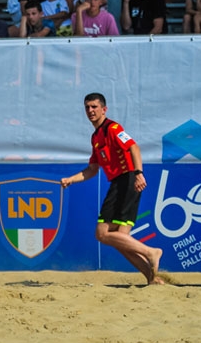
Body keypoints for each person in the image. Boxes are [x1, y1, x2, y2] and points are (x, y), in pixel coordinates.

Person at [60, 93, 164, 285]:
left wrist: (139, 173)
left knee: (102, 234)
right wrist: (71, 180)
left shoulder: (113, 128)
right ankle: (153, 279)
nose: (90, 111)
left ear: (104, 109)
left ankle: (151, 252)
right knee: (121, 240)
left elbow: (134, 148)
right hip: (121, 182)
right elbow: (92, 170)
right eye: (87, 107)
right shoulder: (96, 137)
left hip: (127, 181)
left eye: (94, 107)